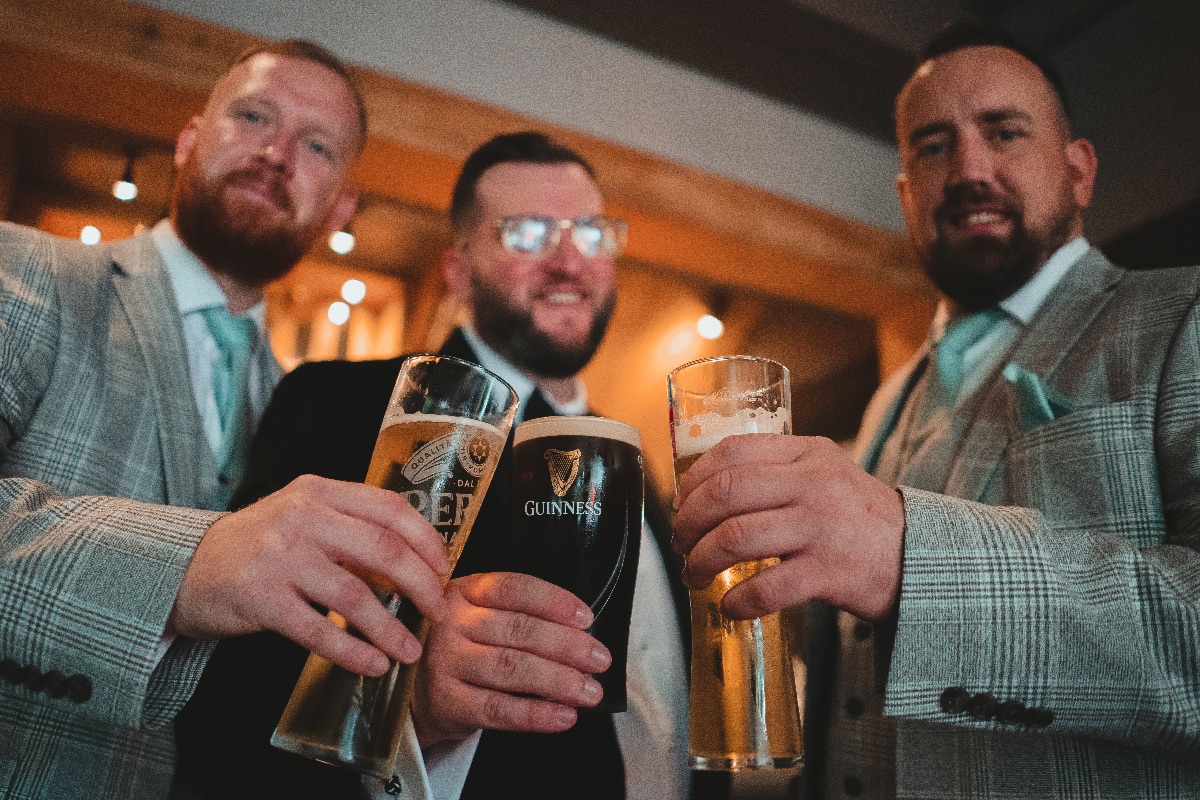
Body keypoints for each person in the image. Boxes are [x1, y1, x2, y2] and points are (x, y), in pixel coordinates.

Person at [672, 21, 1200, 800]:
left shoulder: (1182, 315)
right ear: (905, 193)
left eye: (1004, 132)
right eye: (932, 146)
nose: (968, 169)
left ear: (1079, 169)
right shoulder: (887, 399)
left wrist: (914, 554)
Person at [175, 131, 716, 800]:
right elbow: (233, 687)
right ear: (458, 272)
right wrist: (409, 712)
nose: (568, 260)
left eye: (592, 233)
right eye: (527, 234)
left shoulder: (637, 466)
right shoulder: (343, 404)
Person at [0, 41, 450, 800]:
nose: (277, 154)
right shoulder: (24, 274)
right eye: (253, 117)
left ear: (341, 205)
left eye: (316, 145)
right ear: (188, 139)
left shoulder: (309, 411)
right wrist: (189, 566)